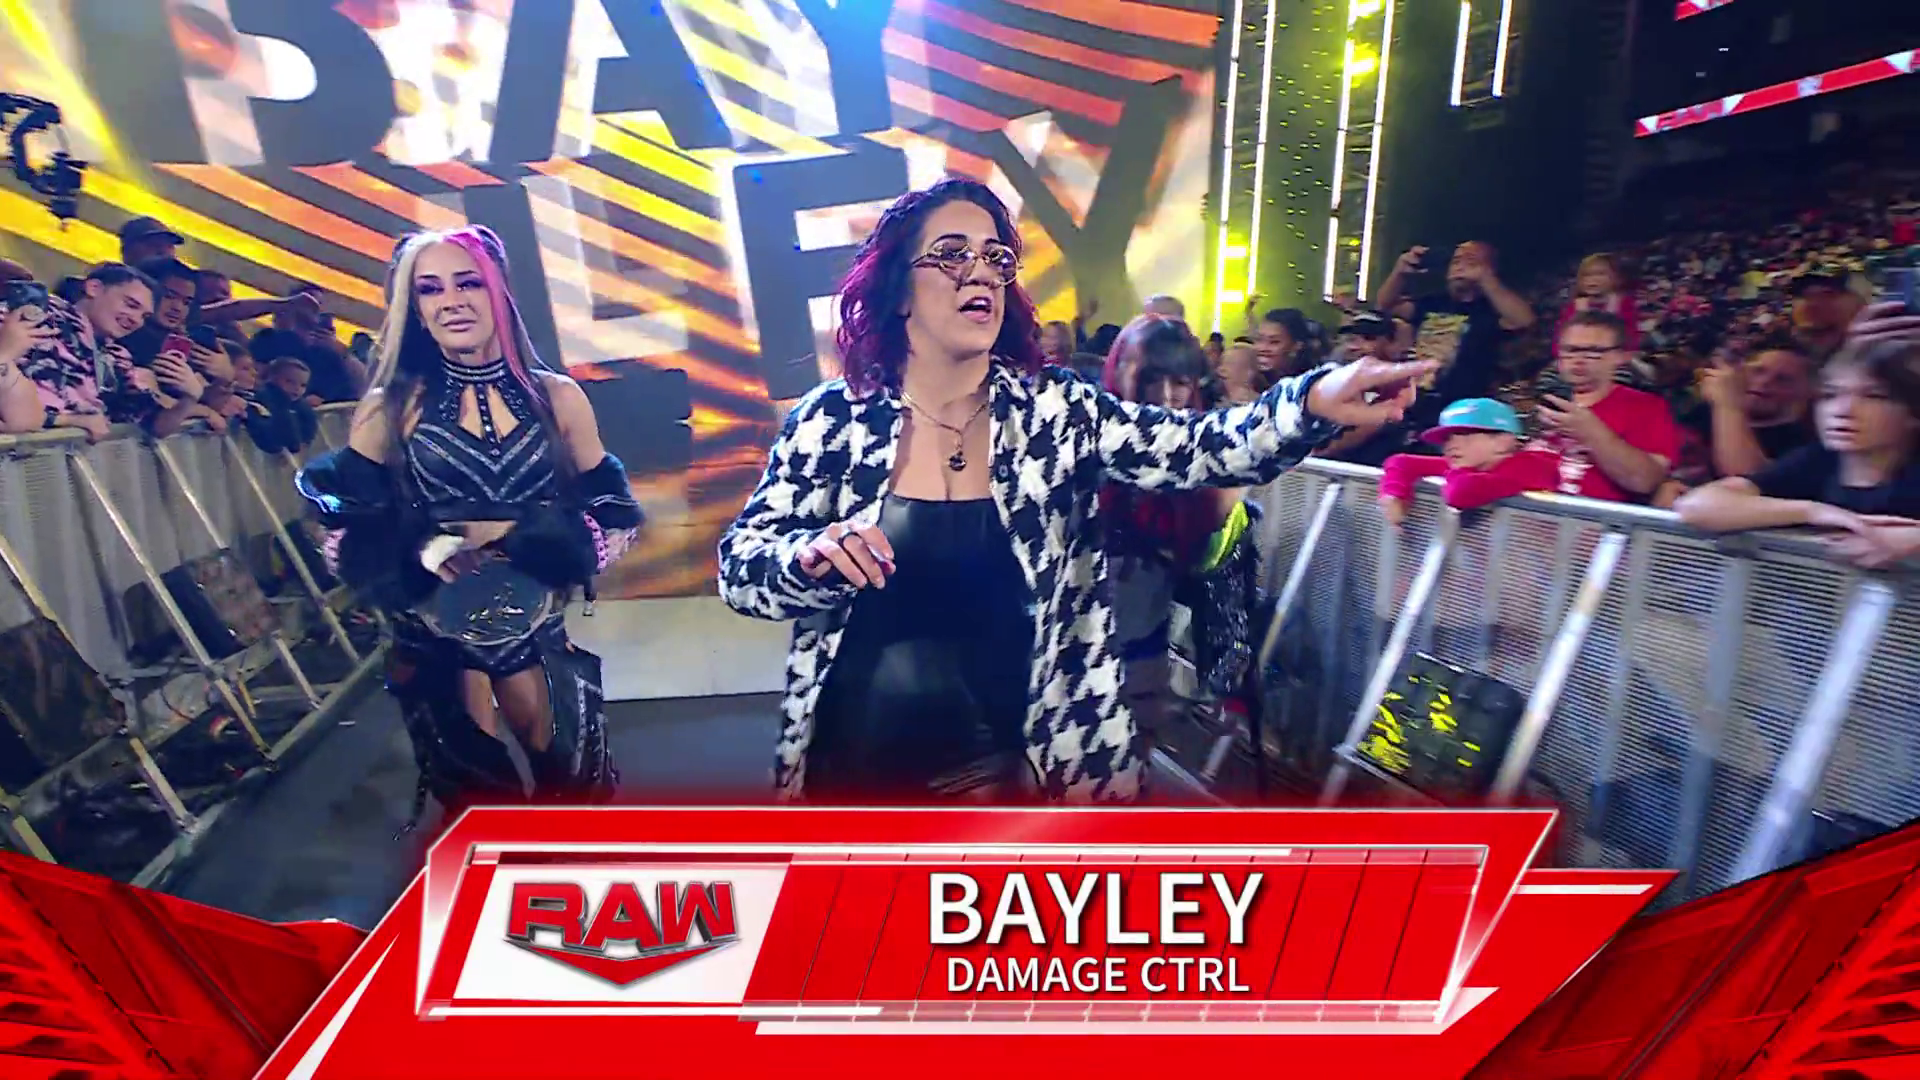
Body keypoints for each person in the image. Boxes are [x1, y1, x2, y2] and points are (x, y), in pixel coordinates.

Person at [715, 177, 1433, 802]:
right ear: (899, 288)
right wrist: (805, 558)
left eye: (996, 257)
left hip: (1022, 771)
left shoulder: (1055, 412)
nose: (981, 272)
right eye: (952, 254)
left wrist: (1313, 401)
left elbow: (1201, 447)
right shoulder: (832, 422)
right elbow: (741, 566)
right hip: (852, 769)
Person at [295, 225, 644, 822]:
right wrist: (420, 552)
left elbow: (611, 510)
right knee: (480, 803)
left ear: (499, 289)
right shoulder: (390, 407)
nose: (451, 301)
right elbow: (344, 529)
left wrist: (551, 545)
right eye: (430, 289)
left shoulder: (558, 398)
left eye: (468, 283)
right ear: (415, 308)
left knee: (576, 791)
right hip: (435, 628)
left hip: (534, 620)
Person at [1676, 339, 1920, 567]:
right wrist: (1815, 511)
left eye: (1874, 396)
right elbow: (1696, 506)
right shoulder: (1819, 460)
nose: (1843, 410)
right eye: (1830, 395)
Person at [1377, 398, 1559, 527]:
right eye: (1447, 438)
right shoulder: (1474, 463)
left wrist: (1451, 472)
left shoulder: (1530, 466)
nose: (1452, 445)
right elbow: (1400, 461)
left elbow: (1461, 493)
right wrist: (1393, 494)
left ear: (1502, 442)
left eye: (1465, 435)